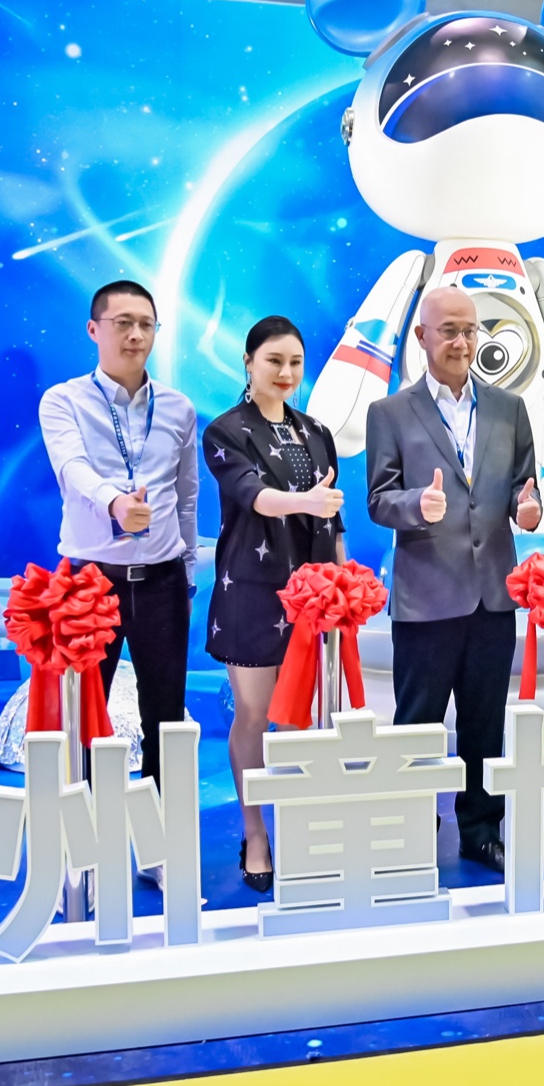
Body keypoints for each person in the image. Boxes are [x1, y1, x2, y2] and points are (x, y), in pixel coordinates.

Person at [367, 286, 542, 872]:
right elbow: (379, 499)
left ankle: (480, 830)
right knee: (416, 721)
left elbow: (523, 486)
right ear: (422, 336)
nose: (462, 342)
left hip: (493, 593)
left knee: (484, 722)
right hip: (426, 595)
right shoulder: (390, 412)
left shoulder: (509, 408)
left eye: (470, 330)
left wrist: (528, 508)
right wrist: (417, 505)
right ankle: (411, 827)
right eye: (449, 331)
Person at [38, 280, 200, 888]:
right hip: (88, 583)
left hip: (161, 580)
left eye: (146, 324)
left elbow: (187, 495)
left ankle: (158, 849)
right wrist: (113, 502)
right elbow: (71, 467)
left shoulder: (178, 408)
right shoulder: (63, 400)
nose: (136, 335)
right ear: (94, 329)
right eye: (123, 323)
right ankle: (82, 851)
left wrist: (185, 568)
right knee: (82, 718)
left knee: (166, 719)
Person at [203, 316, 344, 894]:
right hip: (253, 592)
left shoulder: (317, 431)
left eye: (295, 363)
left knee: (306, 717)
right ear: (248, 362)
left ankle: (307, 825)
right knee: (255, 715)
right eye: (274, 361)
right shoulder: (226, 430)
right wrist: (305, 500)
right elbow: (254, 496)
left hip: (314, 597)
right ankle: (256, 832)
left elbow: (333, 518)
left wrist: (343, 586)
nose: (286, 373)